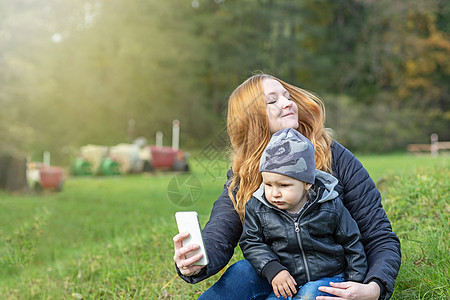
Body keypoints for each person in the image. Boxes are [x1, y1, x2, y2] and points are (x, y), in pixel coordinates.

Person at [173, 73, 401, 299]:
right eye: (272, 100)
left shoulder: (334, 156)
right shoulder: (244, 174)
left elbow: (379, 234)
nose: (287, 103)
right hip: (275, 276)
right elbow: (220, 232)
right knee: (241, 272)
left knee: (312, 294)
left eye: (287, 96)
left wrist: (374, 287)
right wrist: (195, 260)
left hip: (326, 277)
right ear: (251, 119)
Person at [239, 127, 367, 299]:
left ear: (308, 183)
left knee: (310, 295)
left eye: (284, 185)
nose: (274, 193)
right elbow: (251, 241)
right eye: (268, 184)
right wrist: (273, 269)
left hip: (327, 279)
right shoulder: (258, 208)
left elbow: (353, 243)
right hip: (284, 281)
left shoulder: (330, 205)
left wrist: (355, 281)